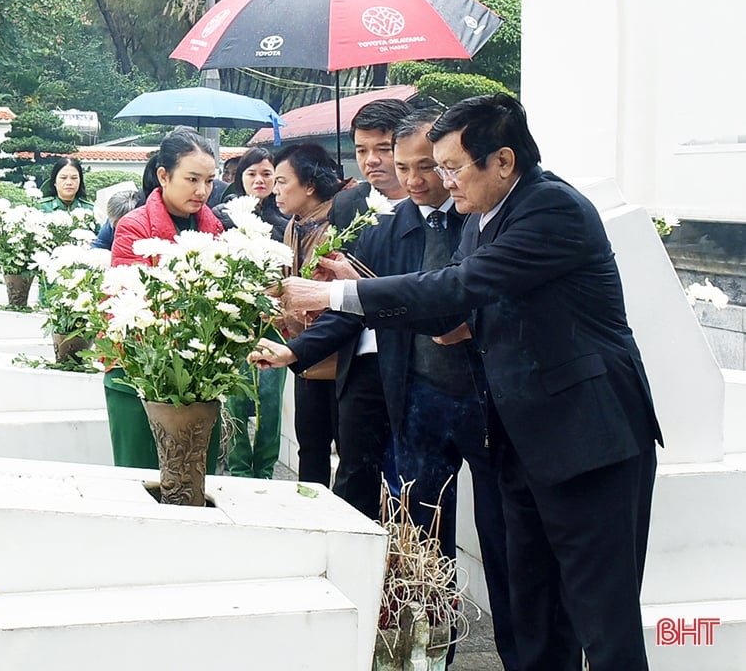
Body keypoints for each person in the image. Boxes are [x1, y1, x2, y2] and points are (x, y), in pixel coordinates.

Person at [260, 94, 663, 671]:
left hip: (587, 440)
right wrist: (359, 281)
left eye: (451, 167)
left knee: (602, 618)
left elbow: (456, 288)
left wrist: (333, 295)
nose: (443, 182)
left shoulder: (551, 210)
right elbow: (448, 313)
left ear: (502, 160)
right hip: (520, 442)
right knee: (531, 609)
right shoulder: (483, 219)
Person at [256, 109, 519, 669]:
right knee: (420, 540)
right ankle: (427, 654)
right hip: (417, 400)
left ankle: (518, 649)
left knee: (505, 539)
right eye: (407, 167)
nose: (421, 179)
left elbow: (457, 298)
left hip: (491, 404)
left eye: (431, 166)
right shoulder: (387, 226)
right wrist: (297, 350)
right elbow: (354, 311)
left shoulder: (486, 220)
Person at [106, 128, 225, 470]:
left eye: (209, 181)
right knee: (141, 480)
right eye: (192, 179)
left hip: (200, 374)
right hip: (140, 370)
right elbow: (128, 298)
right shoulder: (134, 226)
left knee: (194, 480)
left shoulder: (213, 228)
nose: (202, 190)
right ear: (163, 175)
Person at [271, 143, 346, 490]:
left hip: (340, 354)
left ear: (310, 185)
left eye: (283, 182)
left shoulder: (340, 224)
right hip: (304, 354)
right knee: (311, 449)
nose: (275, 190)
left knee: (348, 453)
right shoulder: (294, 225)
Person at [211, 147, 288, 479]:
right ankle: (239, 465)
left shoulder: (286, 221)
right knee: (237, 396)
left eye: (267, 174)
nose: (259, 180)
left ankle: (266, 468)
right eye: (251, 173)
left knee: (270, 399)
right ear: (238, 177)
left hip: (274, 321)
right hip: (234, 319)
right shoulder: (221, 217)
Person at [330, 98, 414, 229]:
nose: (371, 160)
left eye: (383, 149)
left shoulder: (437, 201)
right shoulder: (344, 205)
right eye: (362, 151)